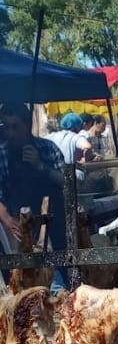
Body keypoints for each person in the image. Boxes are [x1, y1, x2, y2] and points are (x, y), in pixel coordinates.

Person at [0, 102, 68, 287]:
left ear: (28, 125)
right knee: (22, 279)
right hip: (18, 227)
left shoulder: (48, 148)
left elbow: (67, 183)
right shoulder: (2, 154)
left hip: (54, 225)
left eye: (16, 127)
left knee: (59, 275)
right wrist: (7, 219)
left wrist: (40, 167)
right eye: (6, 127)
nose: (10, 133)